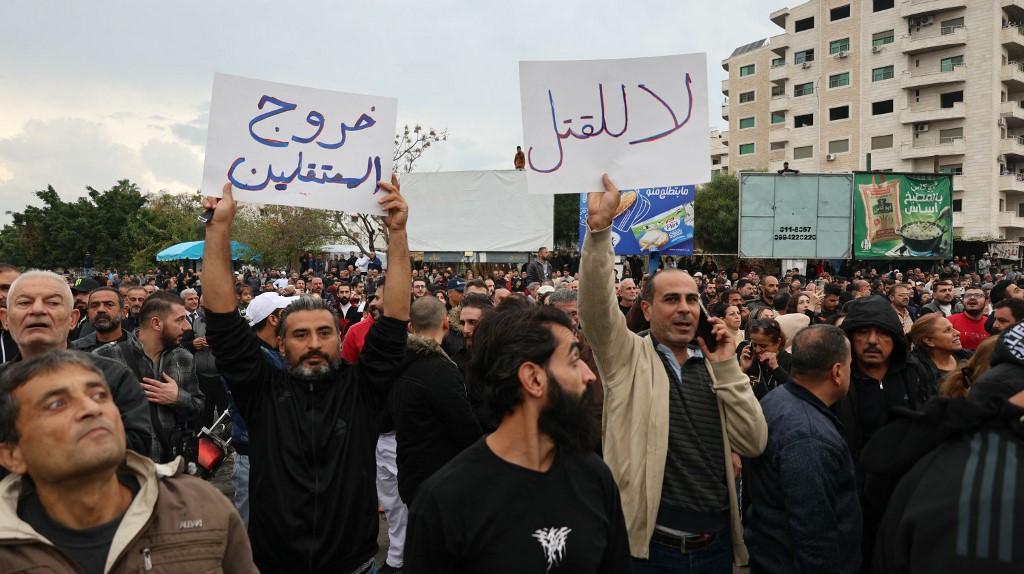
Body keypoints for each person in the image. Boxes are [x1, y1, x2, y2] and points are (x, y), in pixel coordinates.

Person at [201, 179, 410, 574]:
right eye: (300, 335)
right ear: (281, 344)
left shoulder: (362, 390)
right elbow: (223, 323)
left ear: (340, 338)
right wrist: (218, 228)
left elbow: (396, 321)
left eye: (324, 332)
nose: (314, 343)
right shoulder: (261, 391)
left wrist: (397, 233)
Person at [578, 175, 767, 571]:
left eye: (692, 299)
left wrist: (727, 367)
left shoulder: (717, 367)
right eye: (671, 299)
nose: (684, 308)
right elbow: (596, 309)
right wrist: (598, 232)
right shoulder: (628, 357)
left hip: (716, 548)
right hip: (648, 551)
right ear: (647, 309)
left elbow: (753, 442)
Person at [404, 299, 632, 573]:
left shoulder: (596, 477)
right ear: (533, 379)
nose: (589, 376)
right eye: (574, 361)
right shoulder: (444, 501)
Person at [0, 351, 257, 573]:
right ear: (12, 455)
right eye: (57, 403)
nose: (91, 409)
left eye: (99, 395)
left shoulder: (199, 506)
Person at [744, 325, 861, 574]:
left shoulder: (778, 399)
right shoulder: (808, 437)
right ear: (837, 371)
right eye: (850, 365)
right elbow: (813, 534)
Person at [0, 270, 152, 459]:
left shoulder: (113, 377)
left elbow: (137, 447)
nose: (37, 310)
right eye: (24, 303)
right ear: (5, 319)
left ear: (73, 319)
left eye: (53, 303)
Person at [837, 294, 933, 568]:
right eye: (863, 333)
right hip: (855, 501)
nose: (872, 341)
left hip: (907, 498)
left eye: (882, 333)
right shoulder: (837, 379)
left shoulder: (914, 374)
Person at [389, 296, 480, 507]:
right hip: (440, 481)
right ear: (446, 324)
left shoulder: (397, 365)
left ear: (410, 327)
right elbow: (465, 428)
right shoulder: (441, 370)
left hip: (411, 474)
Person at [94, 293, 205, 463]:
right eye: (179, 320)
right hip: (124, 466)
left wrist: (178, 398)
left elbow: (198, 407)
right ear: (156, 323)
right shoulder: (105, 358)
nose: (188, 326)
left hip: (170, 464)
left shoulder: (184, 358)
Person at [909, 313, 971, 395]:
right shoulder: (916, 371)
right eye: (947, 330)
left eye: (953, 328)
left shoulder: (968, 358)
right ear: (929, 341)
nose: (958, 332)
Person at [738, 318, 791, 400]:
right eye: (754, 344)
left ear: (777, 343)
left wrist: (776, 368)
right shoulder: (750, 360)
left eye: (763, 346)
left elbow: (797, 391)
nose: (757, 350)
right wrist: (743, 369)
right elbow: (735, 392)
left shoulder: (790, 361)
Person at [70, 287, 133, 353]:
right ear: (88, 313)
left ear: (124, 312)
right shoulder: (74, 350)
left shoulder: (138, 347)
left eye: (109, 305)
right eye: (94, 306)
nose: (100, 310)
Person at [947, 286, 989, 350]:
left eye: (978, 295)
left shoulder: (991, 324)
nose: (972, 298)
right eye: (967, 296)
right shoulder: (949, 321)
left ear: (986, 302)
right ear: (962, 302)